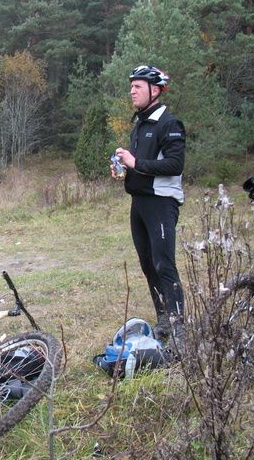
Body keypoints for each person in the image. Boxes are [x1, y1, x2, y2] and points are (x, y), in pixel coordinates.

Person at [112, 65, 186, 344]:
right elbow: (142, 164)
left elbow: (175, 164)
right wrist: (124, 168)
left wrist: (135, 162)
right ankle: (164, 319)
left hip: (161, 202)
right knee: (147, 265)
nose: (132, 91)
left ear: (155, 90)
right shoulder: (140, 123)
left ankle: (179, 328)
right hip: (139, 202)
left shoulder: (170, 123)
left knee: (163, 264)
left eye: (138, 86)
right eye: (131, 86)